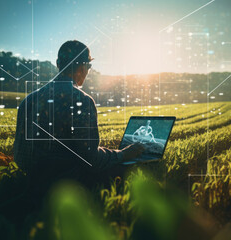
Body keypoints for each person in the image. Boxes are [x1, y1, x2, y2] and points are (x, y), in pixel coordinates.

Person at [13, 40, 144, 191]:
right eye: (89, 66)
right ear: (83, 68)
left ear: (57, 63)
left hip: (31, 179)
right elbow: (91, 161)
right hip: (67, 184)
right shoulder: (82, 101)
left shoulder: (28, 100)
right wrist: (122, 154)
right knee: (131, 171)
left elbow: (20, 156)